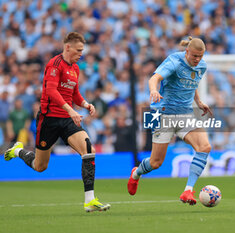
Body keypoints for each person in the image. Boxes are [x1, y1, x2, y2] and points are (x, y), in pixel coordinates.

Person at [4, 32, 110, 212]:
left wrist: (85, 104)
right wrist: (71, 110)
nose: (81, 54)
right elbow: (52, 91)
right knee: (40, 166)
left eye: (82, 50)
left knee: (88, 149)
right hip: (49, 119)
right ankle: (18, 151)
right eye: (78, 50)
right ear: (67, 47)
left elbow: (74, 93)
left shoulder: (75, 68)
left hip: (68, 119)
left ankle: (89, 200)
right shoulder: (54, 65)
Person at [127, 37, 212, 205]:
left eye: (200, 56)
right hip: (162, 113)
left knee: (204, 147)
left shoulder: (202, 66)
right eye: (194, 56)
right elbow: (154, 78)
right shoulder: (174, 61)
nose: (197, 60)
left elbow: (192, 84)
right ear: (186, 51)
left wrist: (199, 102)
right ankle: (136, 173)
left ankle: (188, 191)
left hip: (185, 114)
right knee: (156, 162)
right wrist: (153, 91)